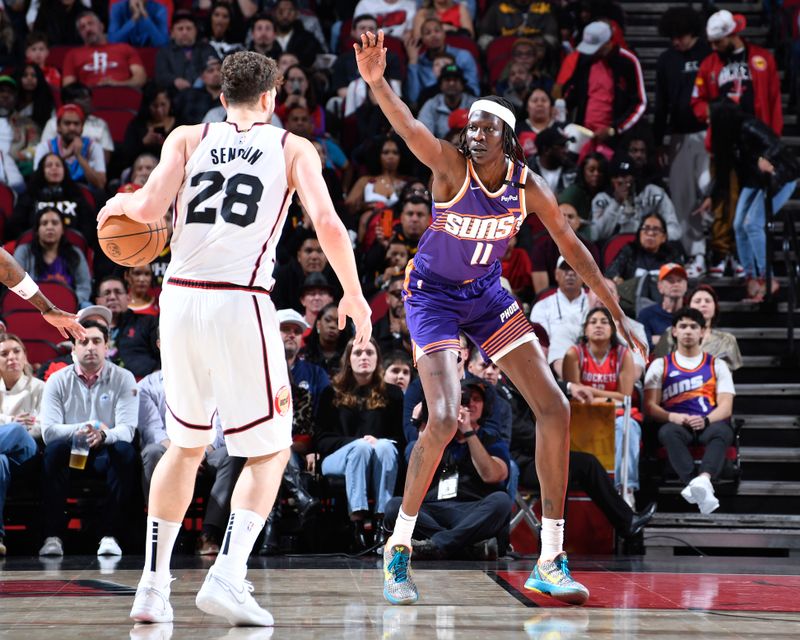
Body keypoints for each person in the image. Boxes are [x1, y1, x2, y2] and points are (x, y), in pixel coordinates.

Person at [356, 30, 642, 606]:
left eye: (488, 128)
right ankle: (399, 548)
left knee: (556, 408)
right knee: (440, 418)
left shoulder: (526, 186)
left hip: (487, 295)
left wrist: (618, 312)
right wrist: (377, 81)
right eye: (471, 127)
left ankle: (551, 559)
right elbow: (407, 122)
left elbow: (574, 250)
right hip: (433, 296)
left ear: (508, 140)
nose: (475, 134)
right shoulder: (446, 164)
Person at [98, 51, 371, 626]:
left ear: (222, 98)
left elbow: (147, 208)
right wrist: (354, 293)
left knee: (185, 445)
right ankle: (227, 574)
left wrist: (116, 206)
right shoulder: (292, 148)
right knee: (271, 448)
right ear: (273, 98)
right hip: (239, 300)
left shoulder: (186, 137)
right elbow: (326, 223)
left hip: (177, 299)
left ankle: (152, 586)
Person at [38, 320, 139, 558]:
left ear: (107, 347)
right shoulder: (57, 380)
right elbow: (49, 431)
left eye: (96, 341)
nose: (90, 347)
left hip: (105, 453)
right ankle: (53, 536)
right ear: (73, 349)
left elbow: (128, 429)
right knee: (53, 451)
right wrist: (84, 428)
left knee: (124, 450)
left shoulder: (124, 378)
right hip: (72, 453)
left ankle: (110, 535)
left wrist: (103, 435)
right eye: (83, 342)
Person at [385, 380, 512, 560]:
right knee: (394, 506)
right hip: (433, 509)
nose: (470, 404)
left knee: (501, 501)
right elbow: (416, 470)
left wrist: (468, 432)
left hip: (470, 510)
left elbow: (492, 475)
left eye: (477, 400)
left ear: (485, 407)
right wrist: (423, 424)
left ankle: (437, 544)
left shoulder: (491, 439)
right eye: (464, 399)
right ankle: (465, 546)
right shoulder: (436, 438)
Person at [315, 338, 404, 549]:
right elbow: (321, 440)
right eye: (357, 353)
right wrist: (354, 443)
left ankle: (383, 523)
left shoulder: (392, 394)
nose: (364, 357)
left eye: (369, 353)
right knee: (361, 448)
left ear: (377, 359)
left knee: (384, 446)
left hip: (379, 454)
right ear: (348, 360)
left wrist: (379, 441)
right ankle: (357, 520)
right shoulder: (331, 393)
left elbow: (401, 438)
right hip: (337, 459)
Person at [645, 307, 735, 515]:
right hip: (676, 424)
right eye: (682, 326)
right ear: (674, 331)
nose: (688, 331)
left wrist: (705, 420)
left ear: (702, 332)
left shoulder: (717, 365)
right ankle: (697, 485)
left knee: (723, 431)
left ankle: (703, 479)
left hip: (708, 422)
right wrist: (672, 417)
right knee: (667, 432)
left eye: (693, 327)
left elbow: (726, 406)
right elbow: (649, 406)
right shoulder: (660, 364)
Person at [708, 102, 800, 301]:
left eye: (711, 118)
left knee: (753, 223)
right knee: (739, 225)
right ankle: (751, 277)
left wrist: (764, 157)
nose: (708, 122)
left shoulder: (748, 125)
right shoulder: (728, 138)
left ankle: (768, 278)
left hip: (780, 176)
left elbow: (776, 145)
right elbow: (723, 171)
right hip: (755, 181)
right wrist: (710, 196)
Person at [563, 307, 642, 507]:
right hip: (582, 417)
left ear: (613, 329)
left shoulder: (624, 355)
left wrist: (591, 392)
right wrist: (606, 397)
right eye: (593, 321)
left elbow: (625, 396)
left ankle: (626, 489)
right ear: (585, 329)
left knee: (629, 428)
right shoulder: (573, 354)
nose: (599, 325)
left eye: (604, 322)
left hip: (615, 415)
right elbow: (573, 393)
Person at [654, 7, 710, 275]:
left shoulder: (709, 54)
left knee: (710, 190)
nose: (677, 41)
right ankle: (695, 254)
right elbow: (661, 104)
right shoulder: (666, 59)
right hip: (679, 136)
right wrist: (659, 142)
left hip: (708, 136)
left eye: (682, 36)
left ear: (694, 32)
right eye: (672, 37)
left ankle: (723, 251)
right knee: (683, 200)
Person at [555, 21, 646, 155]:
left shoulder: (628, 62)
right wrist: (562, 108)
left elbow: (640, 103)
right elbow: (574, 91)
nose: (592, 52)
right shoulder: (584, 59)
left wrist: (614, 129)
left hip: (616, 139)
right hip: (584, 135)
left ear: (608, 43)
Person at [0, 334, 43, 557]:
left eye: (16, 351)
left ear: (25, 356)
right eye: (4, 353)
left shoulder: (40, 387)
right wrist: (12, 422)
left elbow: (44, 428)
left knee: (16, 431)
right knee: (0, 462)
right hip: (4, 456)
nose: (11, 357)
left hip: (29, 454)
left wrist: (11, 425)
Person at [590, 154, 680, 243]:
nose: (620, 180)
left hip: (651, 251)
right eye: (616, 176)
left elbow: (675, 230)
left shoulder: (653, 194)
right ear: (610, 179)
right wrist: (616, 203)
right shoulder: (602, 199)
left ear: (634, 177)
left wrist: (656, 238)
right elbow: (596, 234)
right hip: (615, 251)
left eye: (625, 176)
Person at [13, 207, 92, 307]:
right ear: (37, 230)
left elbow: (84, 287)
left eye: (55, 223)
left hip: (70, 306)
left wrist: (69, 303)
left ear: (63, 229)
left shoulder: (75, 253)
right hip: (33, 306)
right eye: (44, 223)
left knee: (88, 307)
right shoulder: (23, 252)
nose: (49, 227)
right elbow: (16, 283)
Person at [652, 284, 743, 371]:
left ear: (715, 307)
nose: (703, 304)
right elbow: (659, 365)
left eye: (708, 301)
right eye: (697, 301)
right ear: (689, 306)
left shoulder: (727, 340)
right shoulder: (671, 333)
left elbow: (728, 374)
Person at [8, 152, 96, 242]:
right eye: (49, 165)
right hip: (36, 247)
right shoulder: (30, 195)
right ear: (42, 170)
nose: (54, 168)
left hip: (71, 247)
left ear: (64, 170)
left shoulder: (76, 194)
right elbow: (16, 226)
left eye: (58, 165)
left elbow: (88, 225)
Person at [529, 256, 588, 378]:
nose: (570, 274)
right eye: (565, 270)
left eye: (575, 269)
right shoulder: (542, 306)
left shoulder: (593, 302)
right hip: (554, 365)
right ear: (556, 274)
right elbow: (542, 344)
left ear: (583, 275)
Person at [62, 11, 147, 88]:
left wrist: (118, 85)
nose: (87, 29)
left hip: (122, 94)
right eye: (82, 27)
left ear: (102, 26)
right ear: (80, 34)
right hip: (89, 99)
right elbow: (68, 87)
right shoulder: (72, 55)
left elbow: (140, 79)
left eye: (91, 24)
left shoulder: (125, 48)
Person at [33, 104, 106, 191]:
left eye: (76, 124)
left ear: (82, 127)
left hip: (84, 194)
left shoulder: (93, 147)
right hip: (55, 193)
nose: (72, 128)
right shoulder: (46, 147)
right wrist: (64, 156)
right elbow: (36, 180)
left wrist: (79, 156)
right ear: (58, 127)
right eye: (67, 123)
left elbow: (101, 184)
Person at [155, 11, 218, 95]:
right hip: (174, 95)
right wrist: (174, 80)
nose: (185, 32)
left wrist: (200, 81)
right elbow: (160, 75)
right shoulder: (164, 52)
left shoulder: (207, 48)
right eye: (180, 29)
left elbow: (215, 68)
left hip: (205, 94)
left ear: (196, 31)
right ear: (172, 33)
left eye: (189, 28)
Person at [418, 64, 477, 139]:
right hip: (440, 148)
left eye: (455, 80)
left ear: (462, 85)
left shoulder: (475, 105)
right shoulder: (431, 104)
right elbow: (424, 136)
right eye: (447, 80)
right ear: (440, 85)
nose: (451, 83)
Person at [637, 262, 688, 349]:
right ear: (660, 286)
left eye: (679, 280)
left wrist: (661, 340)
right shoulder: (646, 315)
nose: (676, 284)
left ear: (686, 285)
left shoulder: (692, 314)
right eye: (670, 281)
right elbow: (643, 347)